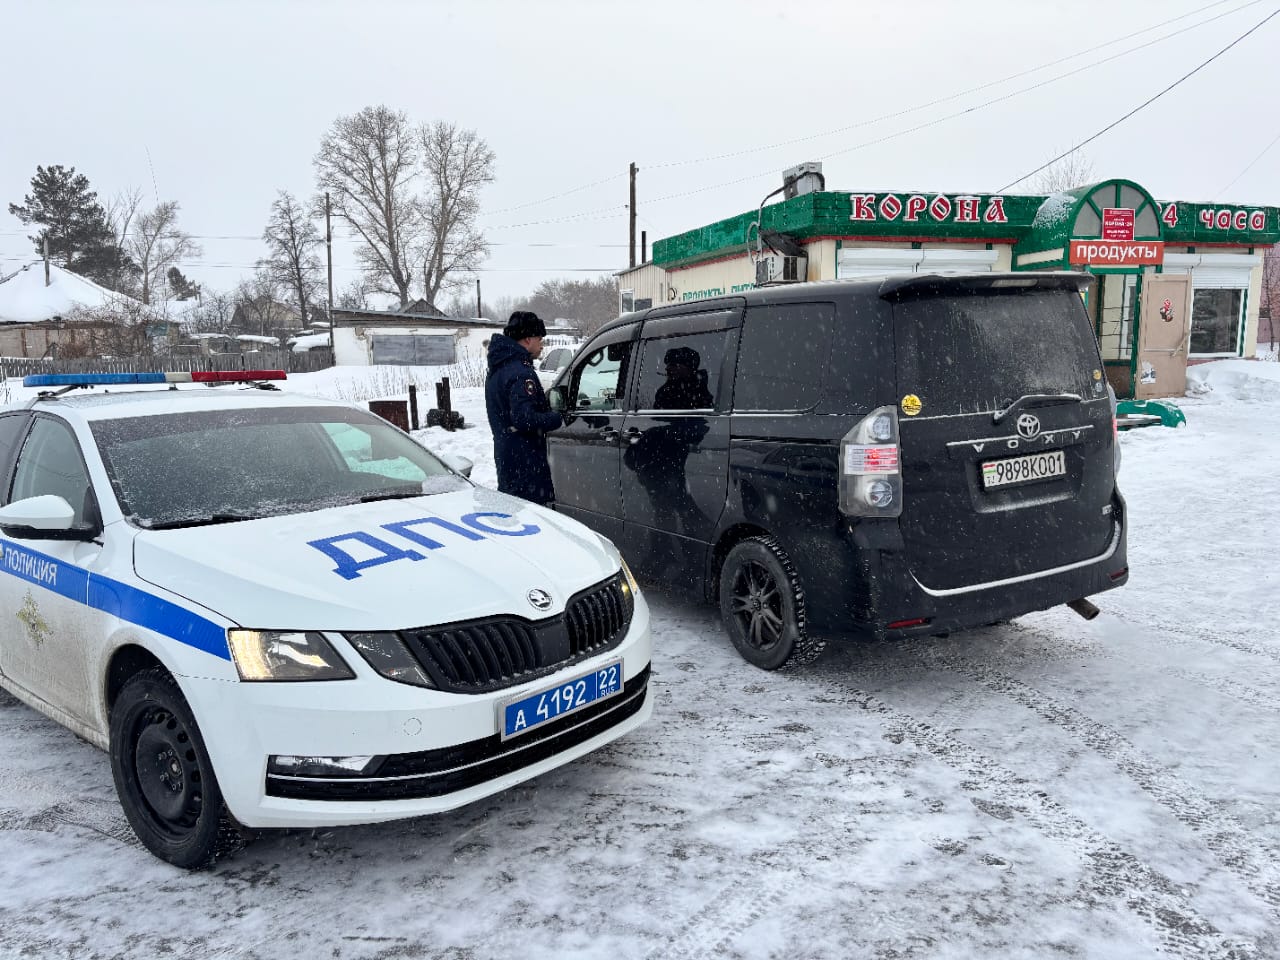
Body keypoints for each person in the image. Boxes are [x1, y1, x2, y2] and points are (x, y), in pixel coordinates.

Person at [485, 311, 563, 505]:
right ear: (528, 340)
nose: (542, 344)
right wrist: (555, 418)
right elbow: (524, 418)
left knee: (515, 517)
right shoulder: (520, 373)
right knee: (533, 519)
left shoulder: (498, 369)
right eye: (539, 338)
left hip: (508, 459)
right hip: (525, 465)